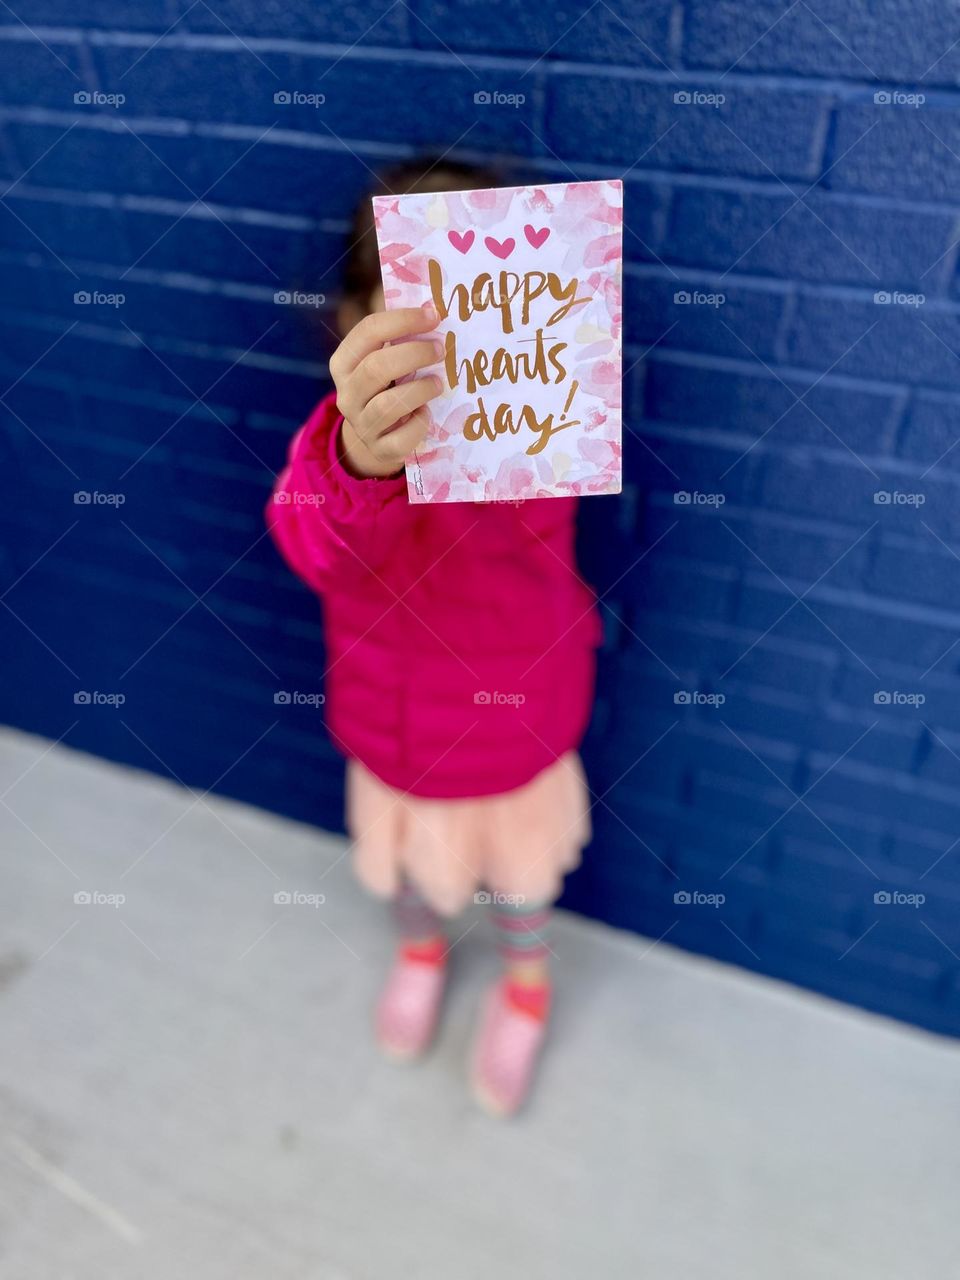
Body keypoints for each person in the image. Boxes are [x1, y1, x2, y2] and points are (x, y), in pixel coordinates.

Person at [267, 159, 602, 1115]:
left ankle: (526, 988)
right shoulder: (337, 446)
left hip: (515, 728)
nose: (450, 341)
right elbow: (313, 543)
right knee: (410, 875)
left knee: (519, 888)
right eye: (413, 306)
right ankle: (420, 952)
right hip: (394, 728)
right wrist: (361, 461)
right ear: (354, 325)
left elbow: (528, 548)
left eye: (476, 306)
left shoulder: (544, 433)